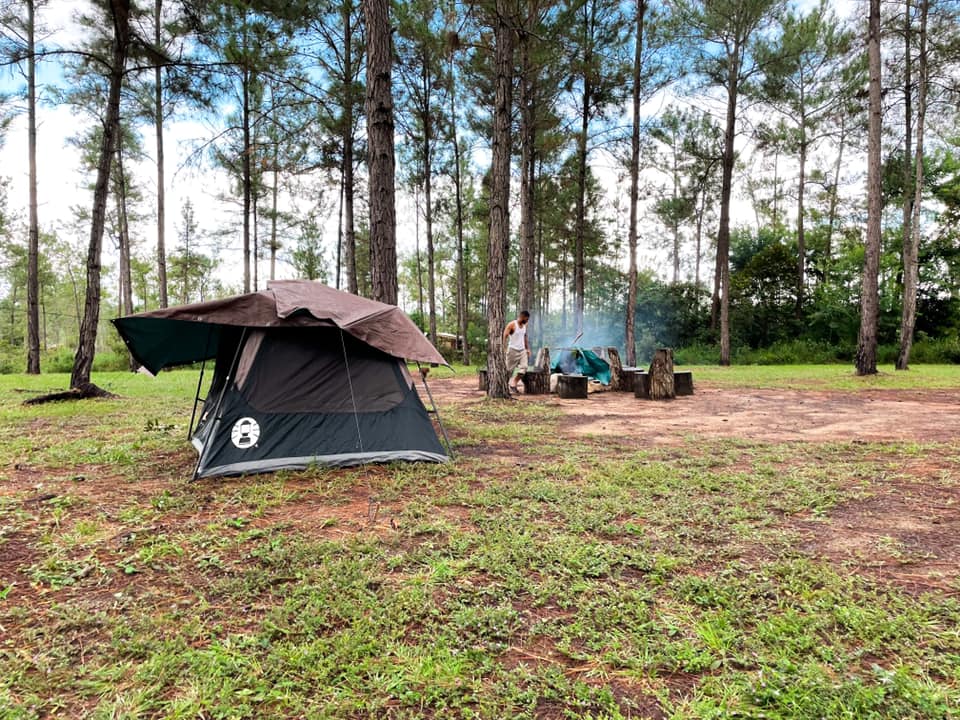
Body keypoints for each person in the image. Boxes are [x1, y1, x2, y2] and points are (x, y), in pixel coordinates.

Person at [503, 310, 531, 394]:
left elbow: (525, 337)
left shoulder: (525, 325)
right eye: (526, 319)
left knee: (524, 367)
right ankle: (503, 387)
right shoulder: (512, 324)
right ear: (522, 317)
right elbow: (505, 336)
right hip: (512, 350)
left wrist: (527, 349)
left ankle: (513, 383)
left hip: (522, 350)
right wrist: (504, 348)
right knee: (508, 371)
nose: (527, 320)